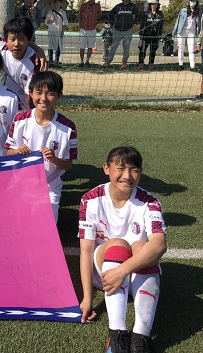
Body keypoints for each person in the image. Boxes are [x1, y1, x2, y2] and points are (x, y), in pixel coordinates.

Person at [78, 146, 167, 353]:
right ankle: (117, 334)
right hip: (105, 277)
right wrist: (87, 299)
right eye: (120, 168)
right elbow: (86, 251)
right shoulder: (90, 199)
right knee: (119, 244)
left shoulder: (150, 202)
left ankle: (140, 338)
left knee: (143, 247)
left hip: (134, 274)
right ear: (106, 169)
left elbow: (159, 245)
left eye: (134, 170)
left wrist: (123, 270)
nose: (127, 176)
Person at [5, 71, 77, 223]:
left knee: (47, 229)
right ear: (30, 93)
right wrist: (17, 151)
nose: (43, 99)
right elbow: (8, 152)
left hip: (50, 186)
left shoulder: (68, 127)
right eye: (39, 93)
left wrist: (54, 159)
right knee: (18, 225)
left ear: (59, 95)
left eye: (50, 93)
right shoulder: (20, 119)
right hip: (21, 183)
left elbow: (68, 165)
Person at [0, 17, 41, 109]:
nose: (16, 44)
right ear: (6, 40)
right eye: (13, 39)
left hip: (30, 93)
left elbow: (31, 94)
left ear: (29, 40)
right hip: (12, 86)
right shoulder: (1, 49)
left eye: (21, 39)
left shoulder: (36, 62)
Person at [105, 0, 140, 69]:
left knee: (126, 47)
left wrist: (134, 22)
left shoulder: (133, 6)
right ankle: (108, 61)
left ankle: (124, 62)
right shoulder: (118, 6)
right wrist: (112, 23)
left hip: (128, 29)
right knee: (114, 46)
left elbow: (138, 15)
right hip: (117, 29)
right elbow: (110, 14)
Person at [172, 0, 200, 71]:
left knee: (191, 49)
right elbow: (178, 22)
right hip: (182, 31)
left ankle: (192, 66)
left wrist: (199, 32)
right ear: (189, 1)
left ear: (197, 2)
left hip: (192, 32)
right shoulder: (183, 10)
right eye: (191, 1)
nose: (192, 2)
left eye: (194, 1)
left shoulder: (198, 11)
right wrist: (174, 33)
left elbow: (199, 23)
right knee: (181, 48)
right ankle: (180, 64)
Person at [138, 0, 164, 70]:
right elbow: (142, 25)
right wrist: (141, 35)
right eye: (152, 4)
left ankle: (151, 63)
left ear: (157, 5)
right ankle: (141, 63)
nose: (154, 5)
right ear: (150, 5)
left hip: (155, 35)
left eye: (155, 4)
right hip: (146, 34)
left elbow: (161, 25)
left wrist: (160, 34)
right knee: (142, 49)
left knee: (153, 50)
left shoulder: (160, 14)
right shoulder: (145, 13)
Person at [78, 0, 102, 66]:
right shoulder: (84, 5)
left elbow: (99, 14)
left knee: (90, 46)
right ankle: (81, 61)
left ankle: (87, 61)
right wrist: (80, 22)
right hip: (84, 29)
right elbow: (79, 14)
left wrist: (95, 21)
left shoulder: (97, 6)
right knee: (82, 46)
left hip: (92, 29)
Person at [45, 0, 68, 66]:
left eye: (59, 2)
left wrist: (62, 31)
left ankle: (57, 60)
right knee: (50, 46)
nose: (58, 4)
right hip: (51, 31)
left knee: (58, 46)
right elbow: (46, 22)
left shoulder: (63, 12)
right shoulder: (50, 12)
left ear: (61, 4)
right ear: (54, 3)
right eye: (56, 2)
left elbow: (65, 23)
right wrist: (51, 21)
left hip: (59, 31)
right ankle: (51, 60)